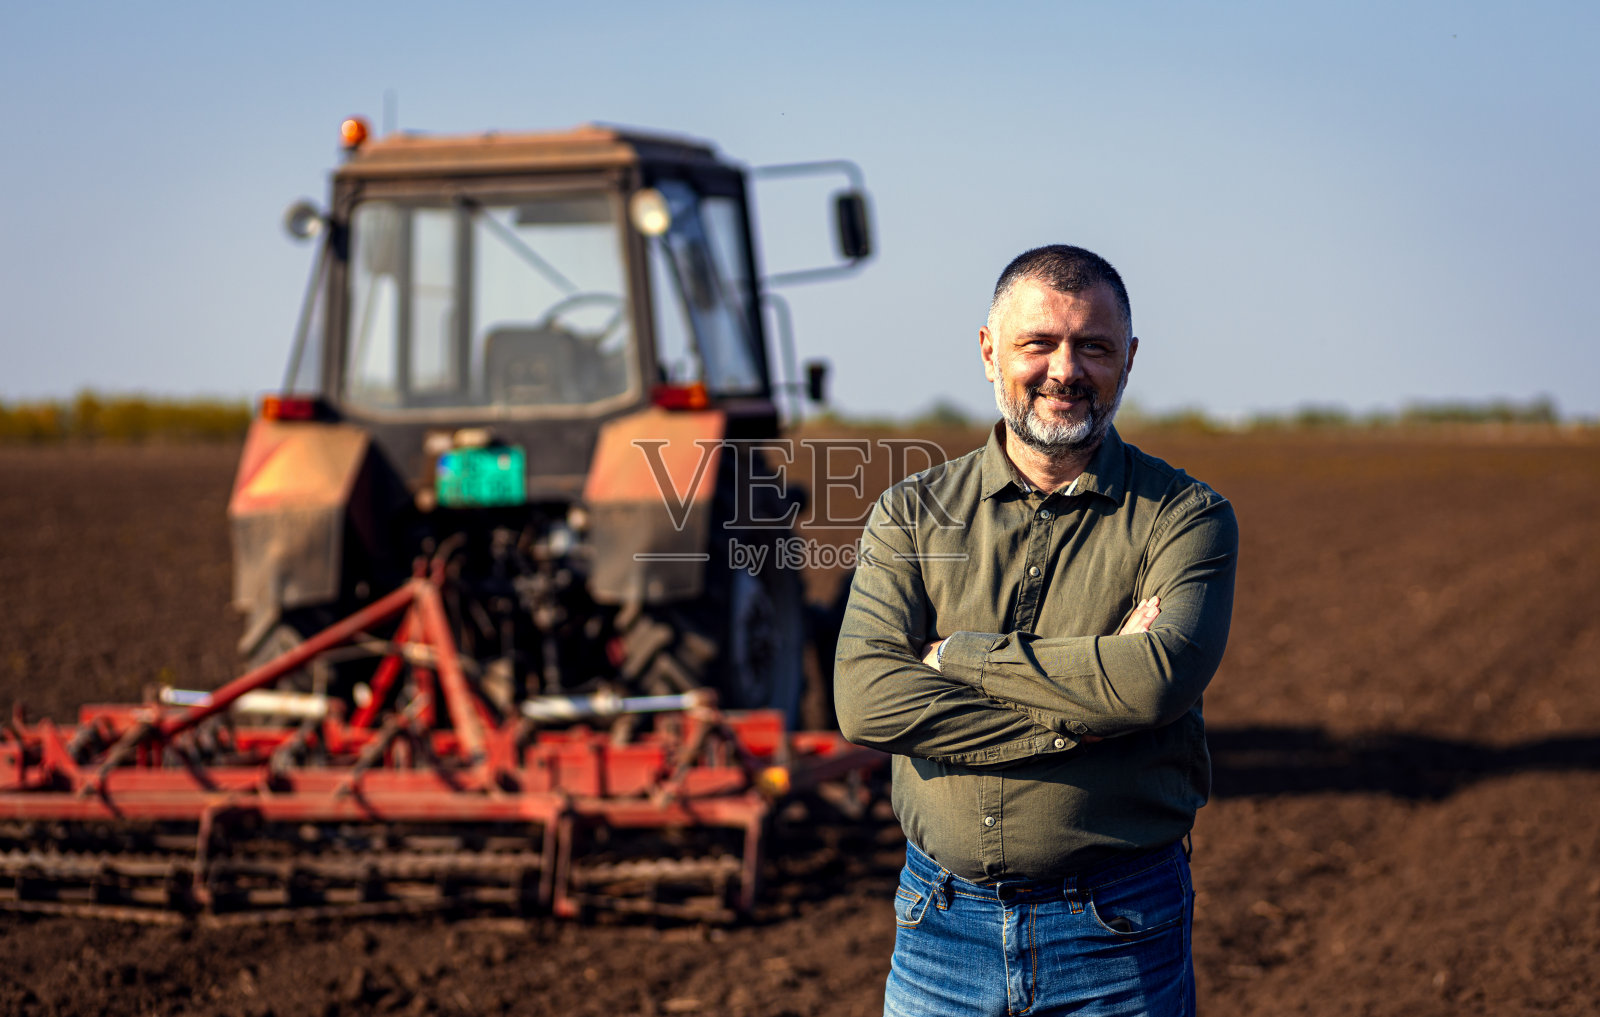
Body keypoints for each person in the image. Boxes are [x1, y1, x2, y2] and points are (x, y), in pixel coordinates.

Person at [834, 245, 1238, 1016]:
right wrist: (1088, 717)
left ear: (1129, 359)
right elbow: (866, 701)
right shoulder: (912, 514)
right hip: (938, 928)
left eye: (1094, 346)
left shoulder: (1186, 518)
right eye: (1038, 343)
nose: (1065, 369)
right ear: (990, 351)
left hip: (1114, 933)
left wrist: (954, 655)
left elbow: (1152, 683)